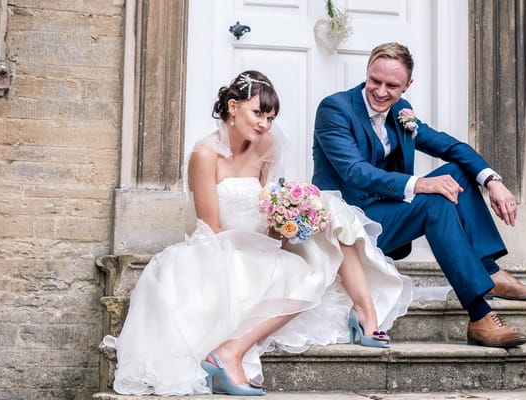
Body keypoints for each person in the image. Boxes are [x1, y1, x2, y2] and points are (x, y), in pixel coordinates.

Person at [102, 70, 412, 396]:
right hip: (219, 248)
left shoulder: (266, 143)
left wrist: (288, 222)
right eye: (258, 113)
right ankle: (229, 352)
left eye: (271, 117)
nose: (264, 123)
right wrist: (264, 243)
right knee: (305, 276)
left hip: (260, 239)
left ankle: (366, 315)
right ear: (233, 106)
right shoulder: (204, 155)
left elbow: (266, 200)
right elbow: (211, 227)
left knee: (329, 209)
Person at [312, 42, 526, 349]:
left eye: (392, 86)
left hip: (385, 215)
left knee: (458, 171)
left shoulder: (400, 113)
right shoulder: (335, 109)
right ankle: (480, 315)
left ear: (408, 85)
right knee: (433, 202)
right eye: (375, 81)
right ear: (367, 73)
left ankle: (490, 270)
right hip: (348, 222)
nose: (381, 92)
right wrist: (419, 184)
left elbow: (452, 147)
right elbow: (355, 172)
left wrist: (493, 181)